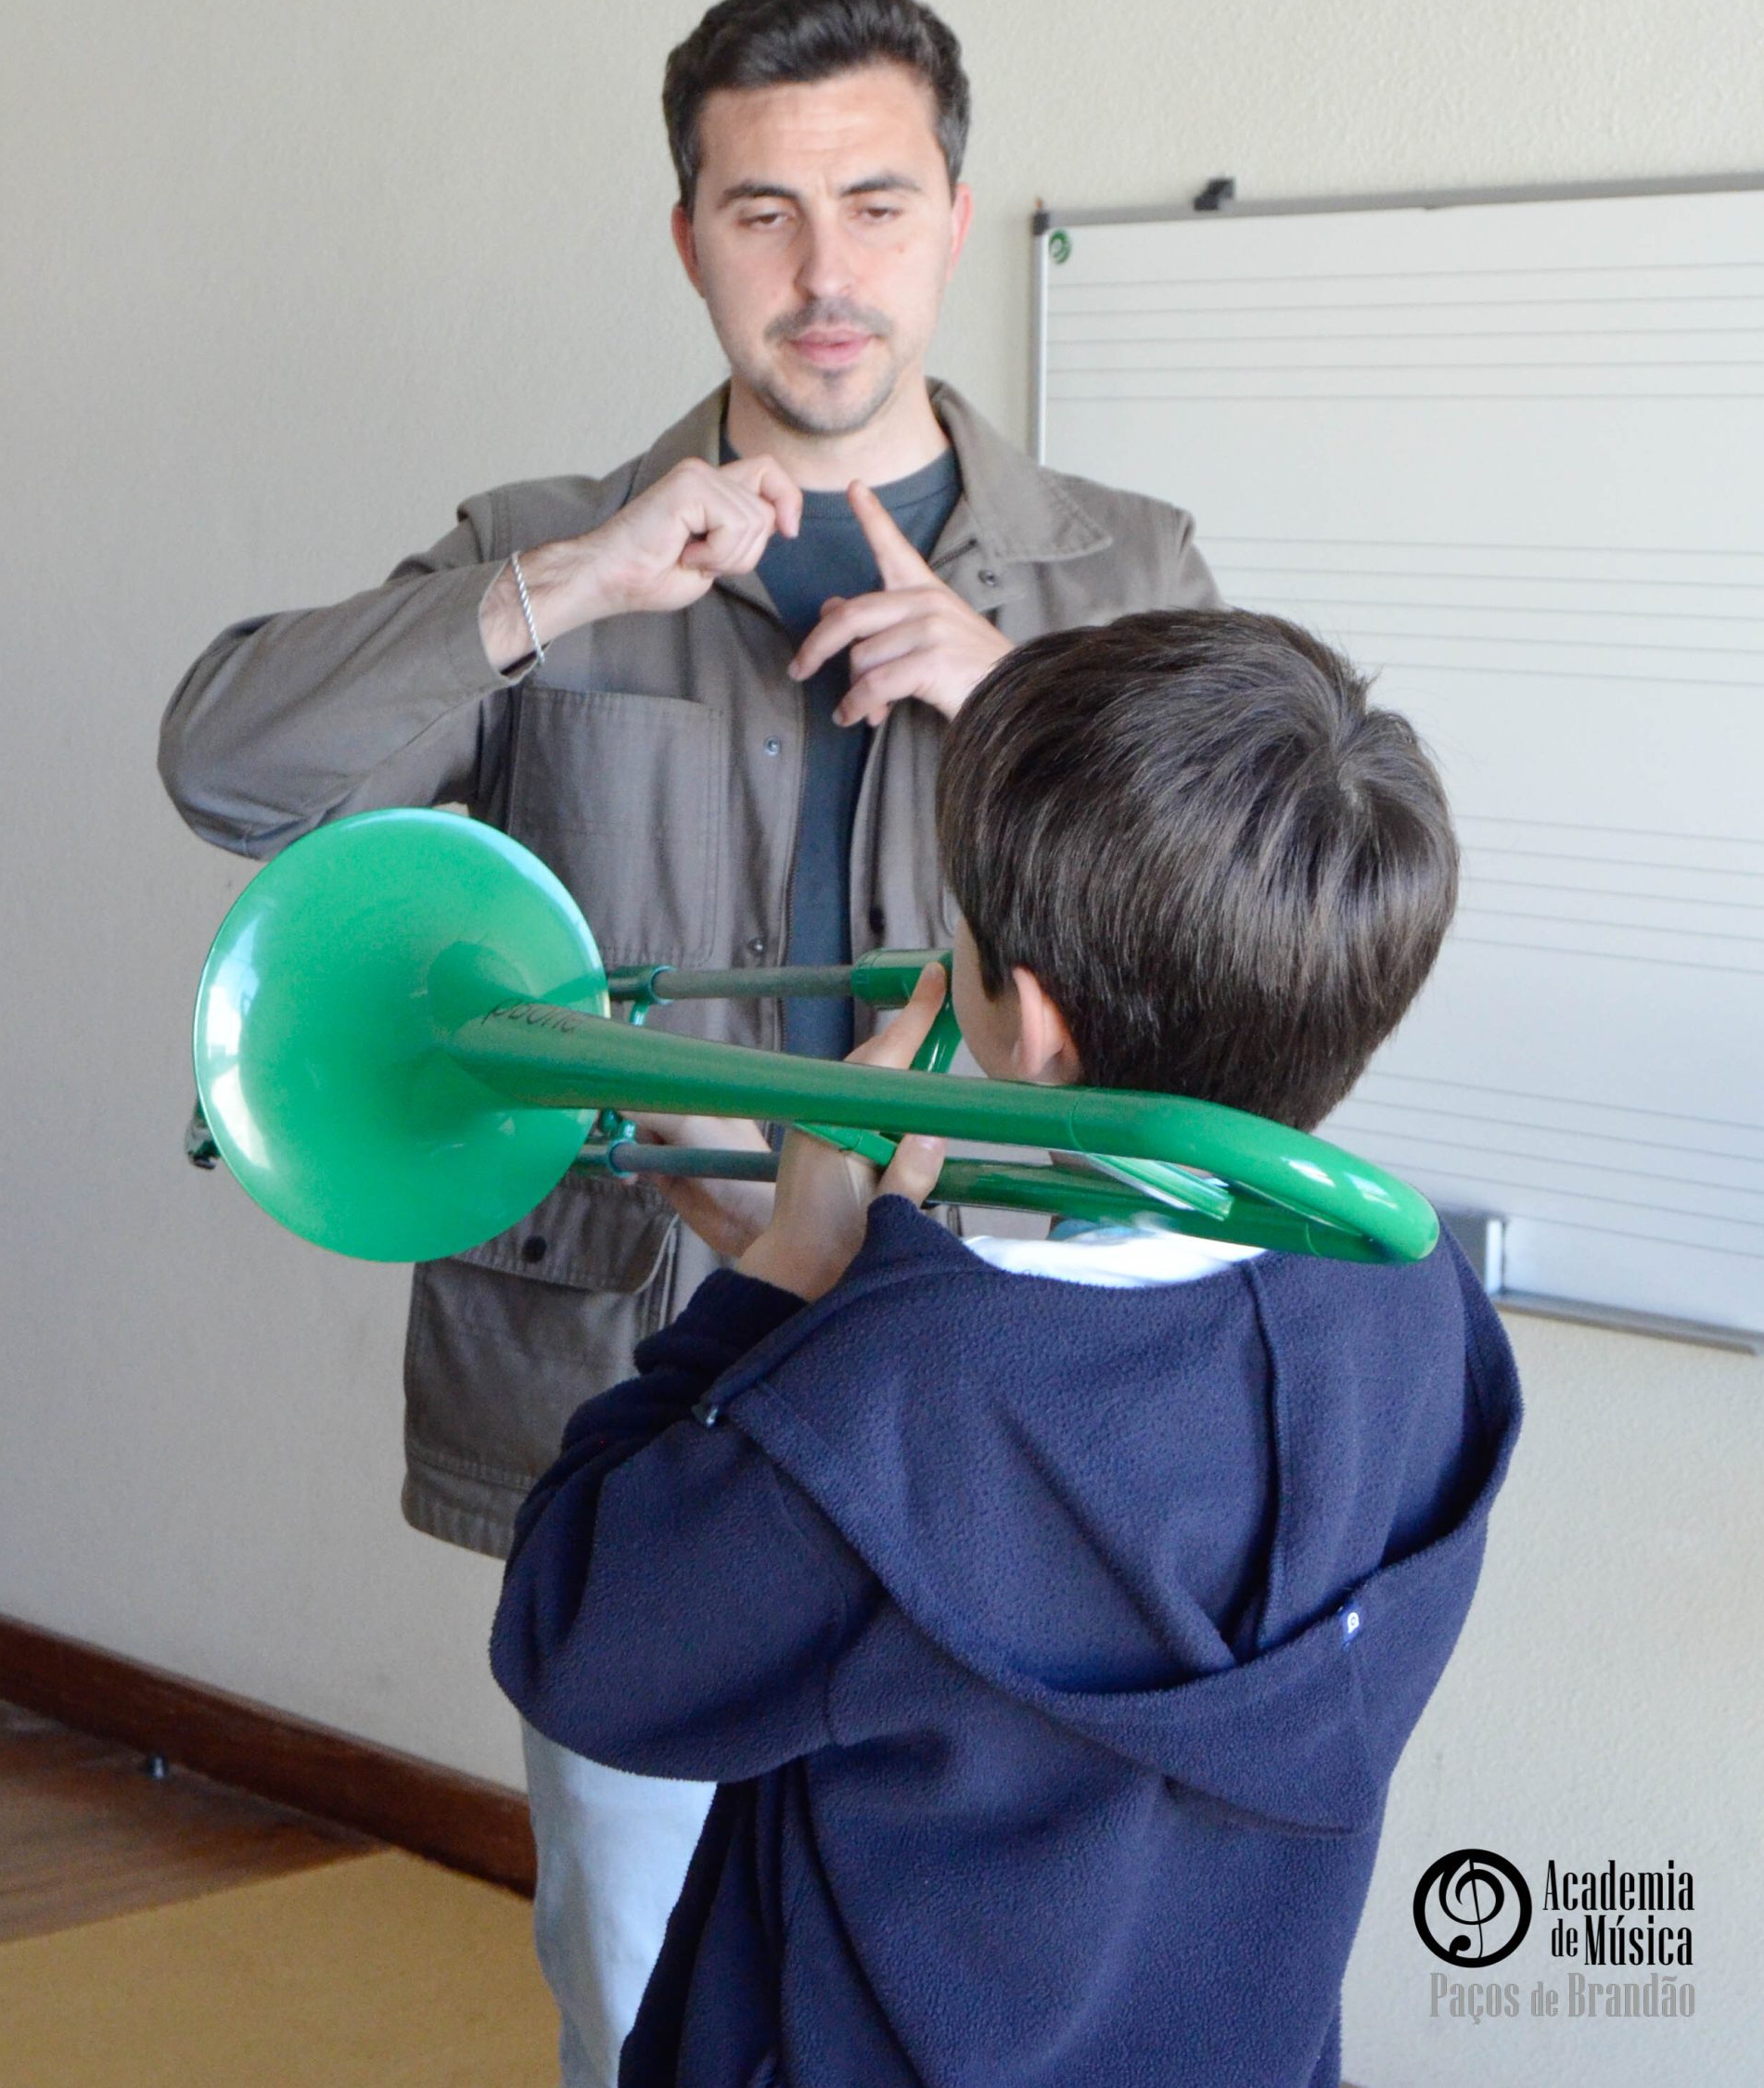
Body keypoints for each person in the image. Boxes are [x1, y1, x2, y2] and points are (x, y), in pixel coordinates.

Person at [159, 0, 1219, 2086]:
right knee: (641, 1993)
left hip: (1010, 1405)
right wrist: (567, 585)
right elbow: (225, 767)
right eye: (762, 212)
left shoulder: (1129, 568)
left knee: (997, 1996)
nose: (825, 274)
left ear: (955, 216)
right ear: (686, 238)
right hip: (656, 1403)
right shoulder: (543, 548)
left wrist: (1017, 705)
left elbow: (1241, 949)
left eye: (876, 203)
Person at [492, 608, 1524, 2088]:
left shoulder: (904, 1393)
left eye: (961, 922)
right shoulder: (1425, 1314)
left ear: (1028, 1020)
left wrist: (784, 1282)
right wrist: (864, 1315)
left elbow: (576, 1636)